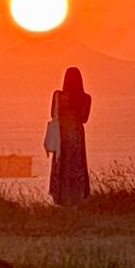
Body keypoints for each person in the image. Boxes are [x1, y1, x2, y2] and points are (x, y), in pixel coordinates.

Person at [48, 67, 92, 206]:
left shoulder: (58, 96)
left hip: (62, 137)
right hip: (77, 136)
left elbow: (52, 115)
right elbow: (84, 119)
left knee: (62, 166)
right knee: (77, 166)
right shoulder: (86, 98)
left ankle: (62, 198)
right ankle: (77, 198)